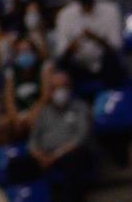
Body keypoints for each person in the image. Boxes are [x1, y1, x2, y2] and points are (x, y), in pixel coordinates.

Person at [26, 71, 93, 200]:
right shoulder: (44, 112)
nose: (60, 91)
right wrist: (39, 155)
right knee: (17, 164)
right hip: (45, 155)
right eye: (56, 88)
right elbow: (33, 140)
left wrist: (55, 156)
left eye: (64, 87)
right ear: (50, 91)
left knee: (73, 160)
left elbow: (81, 138)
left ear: (70, 88)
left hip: (70, 153)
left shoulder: (81, 107)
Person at [53, 0, 124, 89]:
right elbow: (61, 51)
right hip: (79, 65)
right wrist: (72, 46)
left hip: (105, 63)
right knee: (61, 67)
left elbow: (117, 45)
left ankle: (114, 101)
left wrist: (96, 38)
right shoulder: (65, 14)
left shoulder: (111, 10)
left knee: (113, 61)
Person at [0, 36, 47, 142]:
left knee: (35, 121)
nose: (25, 54)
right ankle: (7, 156)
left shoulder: (43, 68)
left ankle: (38, 150)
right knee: (3, 126)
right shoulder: (11, 72)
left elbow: (46, 95)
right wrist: (15, 117)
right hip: (19, 112)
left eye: (28, 50)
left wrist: (33, 112)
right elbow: (9, 99)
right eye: (21, 51)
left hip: (39, 110)